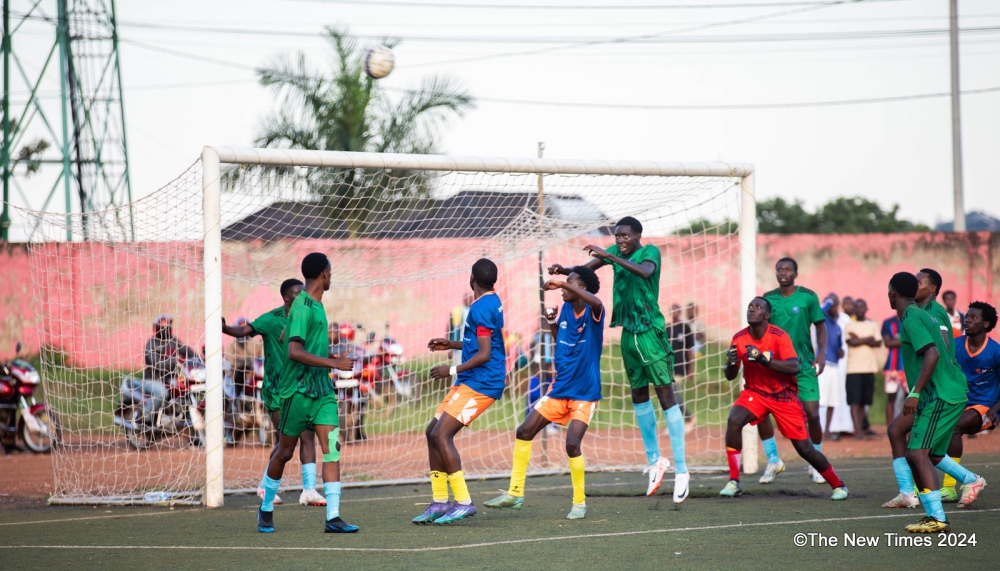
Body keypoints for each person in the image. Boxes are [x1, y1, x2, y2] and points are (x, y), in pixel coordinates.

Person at [548, 216, 690, 502]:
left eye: (625, 236)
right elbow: (585, 273)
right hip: (628, 334)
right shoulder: (615, 256)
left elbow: (645, 273)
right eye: (617, 236)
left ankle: (683, 470)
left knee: (665, 395)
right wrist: (566, 271)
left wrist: (609, 256)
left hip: (651, 332)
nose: (620, 240)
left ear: (637, 235)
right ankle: (654, 461)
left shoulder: (649, 253)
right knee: (638, 395)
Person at [485, 266, 604, 519]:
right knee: (524, 431)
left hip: (584, 392)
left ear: (579, 288)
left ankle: (579, 503)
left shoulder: (595, 310)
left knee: (572, 444)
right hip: (559, 388)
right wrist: (551, 322)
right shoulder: (565, 310)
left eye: (570, 283)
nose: (563, 288)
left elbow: (595, 298)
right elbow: (561, 339)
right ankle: (515, 493)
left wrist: (562, 283)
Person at [256, 253, 358, 534]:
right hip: (296, 394)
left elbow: (287, 337)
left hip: (322, 392)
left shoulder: (313, 305)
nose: (331, 276)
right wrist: (334, 363)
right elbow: (293, 350)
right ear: (324, 274)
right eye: (330, 272)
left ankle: (333, 517)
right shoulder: (302, 306)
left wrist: (332, 355)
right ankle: (265, 508)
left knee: (332, 449)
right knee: (284, 451)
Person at [719, 297, 848, 500]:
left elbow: (794, 367)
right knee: (734, 419)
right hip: (755, 392)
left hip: (783, 397)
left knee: (804, 449)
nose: (752, 309)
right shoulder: (739, 338)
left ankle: (838, 485)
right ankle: (734, 481)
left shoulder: (779, 336)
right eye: (750, 307)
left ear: (767, 315)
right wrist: (729, 364)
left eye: (758, 307)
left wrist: (763, 359)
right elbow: (730, 375)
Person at [884, 272, 981, 534]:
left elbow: (933, 353)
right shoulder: (919, 314)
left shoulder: (914, 317)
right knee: (927, 453)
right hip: (943, 391)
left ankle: (937, 517)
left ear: (892, 294)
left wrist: (914, 393)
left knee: (917, 453)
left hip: (939, 393)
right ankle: (961, 488)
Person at [412, 258, 507, 525]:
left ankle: (464, 502)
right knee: (431, 432)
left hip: (482, 383)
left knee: (442, 435)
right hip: (471, 379)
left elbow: (486, 354)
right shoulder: (489, 302)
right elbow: (481, 342)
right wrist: (451, 344)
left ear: (471, 279)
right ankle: (440, 502)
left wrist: (451, 370)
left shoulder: (480, 308)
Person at [223, 279, 327, 508]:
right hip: (277, 391)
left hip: (302, 387)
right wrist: (225, 328)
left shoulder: (307, 315)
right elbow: (245, 330)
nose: (302, 296)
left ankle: (309, 490)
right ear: (287, 298)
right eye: (297, 293)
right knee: (284, 442)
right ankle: (265, 486)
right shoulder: (271, 319)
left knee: (307, 436)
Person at [759, 257, 828, 485]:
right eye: (779, 269)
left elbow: (820, 326)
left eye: (787, 269)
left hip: (803, 364)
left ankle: (816, 462)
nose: (783, 272)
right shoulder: (768, 299)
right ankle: (772, 460)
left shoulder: (808, 297)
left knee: (813, 414)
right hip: (775, 367)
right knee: (760, 412)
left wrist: (822, 354)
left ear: (795, 274)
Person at [939, 301, 997, 504]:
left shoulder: (995, 351)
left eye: (974, 317)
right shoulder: (955, 345)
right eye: (967, 316)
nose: (968, 320)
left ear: (986, 324)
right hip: (958, 402)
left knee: (954, 427)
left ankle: (948, 487)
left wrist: (995, 409)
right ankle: (914, 488)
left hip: (984, 405)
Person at [133, 315, 197, 423]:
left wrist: (198, 358)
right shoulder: (151, 343)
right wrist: (174, 360)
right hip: (153, 380)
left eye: (167, 327)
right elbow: (156, 363)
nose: (164, 330)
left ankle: (183, 419)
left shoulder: (173, 341)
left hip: (171, 379)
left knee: (186, 388)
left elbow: (186, 350)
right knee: (162, 393)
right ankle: (144, 417)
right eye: (162, 327)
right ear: (156, 328)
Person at [844, 299, 882, 440]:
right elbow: (851, 342)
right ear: (854, 309)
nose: (859, 309)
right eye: (857, 307)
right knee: (854, 401)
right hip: (853, 369)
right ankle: (857, 431)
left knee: (864, 402)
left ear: (866, 308)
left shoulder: (872, 324)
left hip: (869, 368)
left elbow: (878, 342)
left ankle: (861, 429)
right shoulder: (849, 325)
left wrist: (859, 339)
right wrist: (868, 339)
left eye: (861, 307)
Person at [818, 294, 845, 442]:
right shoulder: (823, 322)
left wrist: (841, 351)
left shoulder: (838, 326)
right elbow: (820, 310)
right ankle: (816, 430)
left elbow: (840, 347)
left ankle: (827, 431)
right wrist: (829, 301)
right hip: (823, 365)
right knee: (819, 400)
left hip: (834, 366)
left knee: (832, 400)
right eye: (834, 306)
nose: (836, 309)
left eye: (836, 305)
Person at [666, 303, 696, 433]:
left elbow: (690, 349)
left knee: (674, 394)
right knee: (668, 396)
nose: (675, 313)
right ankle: (674, 424)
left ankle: (689, 418)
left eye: (677, 311)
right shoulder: (666, 328)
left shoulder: (685, 327)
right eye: (672, 311)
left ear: (680, 312)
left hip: (680, 367)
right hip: (667, 367)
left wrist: (691, 369)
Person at [915, 268, 954, 352]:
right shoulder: (922, 310)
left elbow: (942, 346)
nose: (913, 286)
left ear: (932, 288)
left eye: (918, 283)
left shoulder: (934, 312)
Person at [881, 313, 908, 426]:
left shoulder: (912, 320)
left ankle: (908, 428)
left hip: (909, 368)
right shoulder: (888, 322)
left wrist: (897, 340)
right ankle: (890, 428)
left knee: (910, 398)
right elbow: (888, 343)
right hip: (892, 368)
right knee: (891, 397)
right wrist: (907, 339)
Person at [226, 317, 263, 392]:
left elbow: (262, 355)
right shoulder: (231, 346)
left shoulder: (255, 343)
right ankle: (237, 394)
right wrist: (245, 361)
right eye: (239, 330)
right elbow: (232, 361)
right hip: (238, 373)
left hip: (255, 372)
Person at [449, 292, 474, 367]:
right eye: (467, 298)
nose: (468, 300)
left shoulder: (474, 311)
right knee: (457, 368)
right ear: (464, 300)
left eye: (470, 298)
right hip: (459, 345)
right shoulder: (456, 312)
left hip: (472, 345)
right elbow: (451, 330)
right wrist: (450, 349)